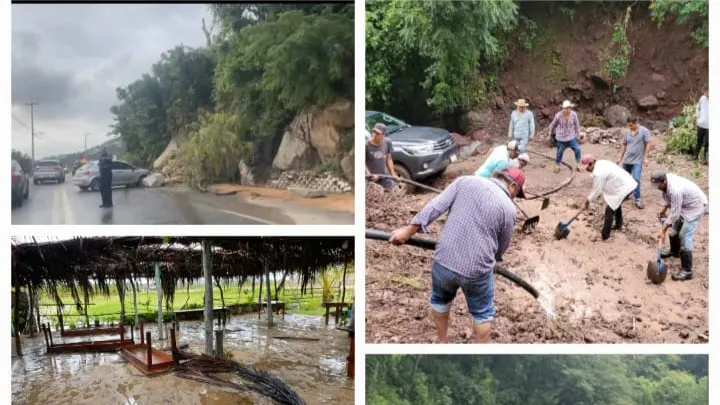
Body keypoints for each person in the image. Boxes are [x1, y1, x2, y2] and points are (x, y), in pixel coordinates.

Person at [388, 169, 524, 343]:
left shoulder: (464, 181)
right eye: (517, 194)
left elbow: (435, 206)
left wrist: (408, 231)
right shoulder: (508, 208)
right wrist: (494, 260)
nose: (515, 198)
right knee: (482, 314)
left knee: (439, 300)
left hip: (444, 259)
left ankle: (443, 342)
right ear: (512, 186)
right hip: (476, 270)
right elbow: (502, 244)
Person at [652, 171, 708, 281]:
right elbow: (671, 201)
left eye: (658, 185)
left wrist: (662, 231)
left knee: (684, 234)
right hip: (684, 205)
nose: (657, 188)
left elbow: (675, 214)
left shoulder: (675, 189)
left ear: (664, 181)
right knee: (674, 231)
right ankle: (674, 252)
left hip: (695, 207)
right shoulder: (665, 184)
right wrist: (663, 211)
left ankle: (687, 271)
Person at [578, 155, 637, 241]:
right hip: (624, 184)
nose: (587, 170)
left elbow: (596, 191)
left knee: (609, 209)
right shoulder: (601, 163)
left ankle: (605, 236)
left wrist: (587, 201)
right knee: (615, 203)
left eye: (587, 167)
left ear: (591, 163)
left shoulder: (599, 173)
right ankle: (618, 225)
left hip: (624, 187)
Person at [617, 116, 651, 209]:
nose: (629, 127)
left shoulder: (644, 131)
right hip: (627, 160)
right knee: (624, 178)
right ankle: (625, 194)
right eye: (628, 125)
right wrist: (620, 157)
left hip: (637, 160)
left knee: (636, 179)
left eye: (631, 125)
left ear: (636, 123)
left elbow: (648, 143)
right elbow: (624, 145)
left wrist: (646, 158)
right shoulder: (627, 132)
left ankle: (637, 198)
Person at [548, 100, 582, 173]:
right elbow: (552, 125)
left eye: (569, 108)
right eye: (566, 108)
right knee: (559, 152)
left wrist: (578, 135)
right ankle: (557, 165)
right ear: (563, 108)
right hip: (561, 138)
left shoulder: (573, 115)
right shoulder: (558, 115)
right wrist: (549, 134)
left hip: (571, 136)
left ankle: (578, 164)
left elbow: (577, 125)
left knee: (577, 149)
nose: (567, 110)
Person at [365, 123, 397, 191]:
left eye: (378, 133)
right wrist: (369, 175)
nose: (375, 135)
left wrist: (393, 174)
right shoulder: (366, 145)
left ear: (383, 135)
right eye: (374, 132)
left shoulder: (387, 142)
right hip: (369, 176)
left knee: (390, 193)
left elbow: (389, 159)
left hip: (383, 175)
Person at [695, 83, 709, 162]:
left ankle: (705, 159)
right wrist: (698, 118)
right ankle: (696, 156)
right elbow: (698, 107)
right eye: (704, 91)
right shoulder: (702, 98)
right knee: (699, 141)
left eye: (706, 91)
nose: (705, 93)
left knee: (707, 143)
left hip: (709, 126)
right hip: (701, 124)